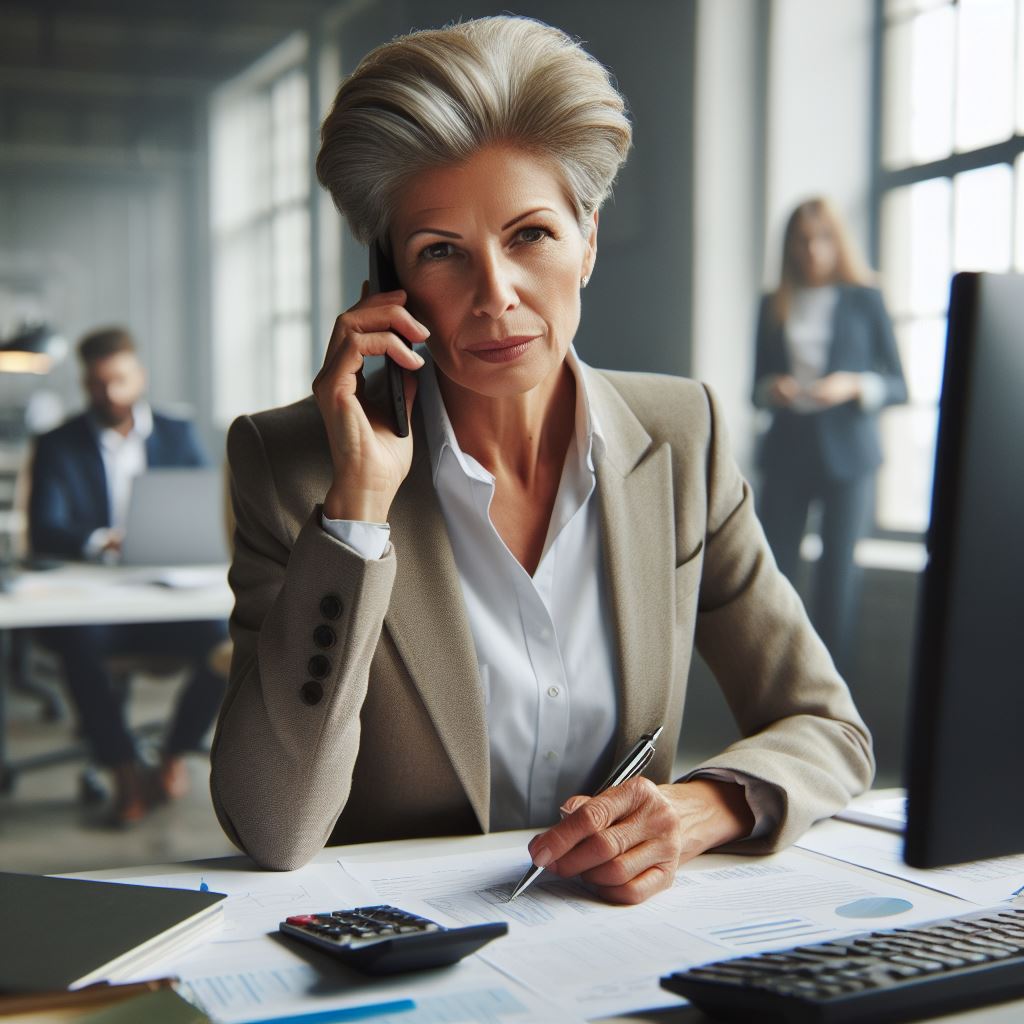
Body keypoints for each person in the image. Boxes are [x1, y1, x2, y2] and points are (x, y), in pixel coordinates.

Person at [210, 17, 874, 902]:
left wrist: (696, 810)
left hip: (617, 945)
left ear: (587, 242)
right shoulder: (290, 467)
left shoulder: (683, 435)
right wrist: (356, 514)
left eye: (530, 236)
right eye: (441, 252)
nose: (496, 297)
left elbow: (828, 727)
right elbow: (272, 827)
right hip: (401, 955)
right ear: (387, 286)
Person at [29, 327, 228, 824]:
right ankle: (121, 770)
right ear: (85, 384)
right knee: (79, 644)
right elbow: (44, 529)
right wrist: (101, 538)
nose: (110, 394)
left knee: (228, 639)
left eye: (119, 380)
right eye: (98, 384)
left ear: (139, 376)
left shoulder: (175, 433)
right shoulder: (59, 444)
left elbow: (205, 505)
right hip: (95, 598)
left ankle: (174, 752)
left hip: (165, 595)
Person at [752, 198, 907, 675]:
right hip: (787, 453)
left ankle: (831, 710)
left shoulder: (866, 297)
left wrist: (853, 385)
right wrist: (772, 389)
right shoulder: (772, 303)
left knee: (838, 584)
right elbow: (753, 389)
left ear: (836, 240)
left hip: (850, 458)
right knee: (774, 578)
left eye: (821, 238)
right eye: (802, 240)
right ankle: (775, 691)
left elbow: (900, 384)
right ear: (790, 246)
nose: (812, 249)